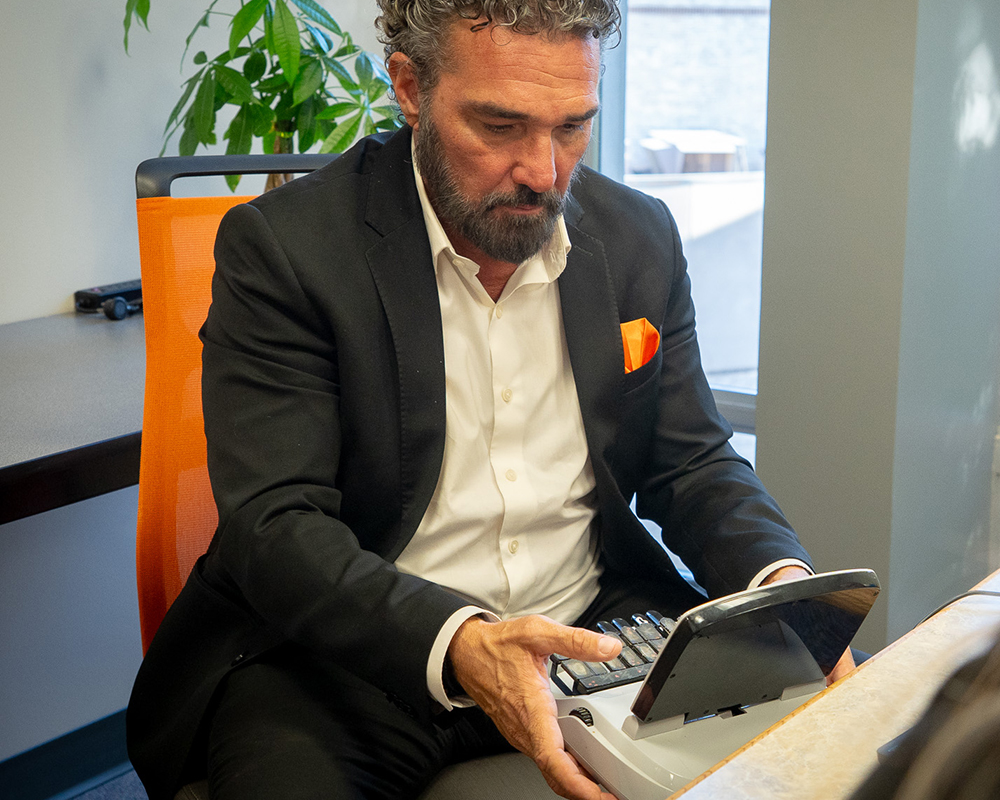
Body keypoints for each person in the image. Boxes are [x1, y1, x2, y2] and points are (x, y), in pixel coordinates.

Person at [126, 1, 850, 798]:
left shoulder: (638, 236)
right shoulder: (289, 250)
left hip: (592, 630)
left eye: (572, 126)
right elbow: (277, 526)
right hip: (351, 651)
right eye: (500, 127)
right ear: (409, 87)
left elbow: (693, 461)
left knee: (802, 771)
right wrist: (464, 642)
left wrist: (779, 587)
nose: (544, 173)